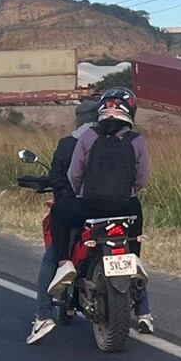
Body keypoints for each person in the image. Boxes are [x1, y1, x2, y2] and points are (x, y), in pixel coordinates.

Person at [46, 87, 153, 335]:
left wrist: (83, 193)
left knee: (60, 211)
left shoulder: (89, 136)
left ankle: (64, 263)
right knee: (135, 222)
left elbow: (75, 173)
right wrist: (126, 193)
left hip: (89, 205)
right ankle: (134, 257)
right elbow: (142, 179)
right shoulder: (137, 141)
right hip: (125, 205)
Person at [26, 98, 98, 344]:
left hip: (75, 210)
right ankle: (144, 310)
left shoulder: (68, 143)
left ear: (79, 119)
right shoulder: (113, 141)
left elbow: (60, 177)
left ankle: (42, 315)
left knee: (52, 256)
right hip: (110, 210)